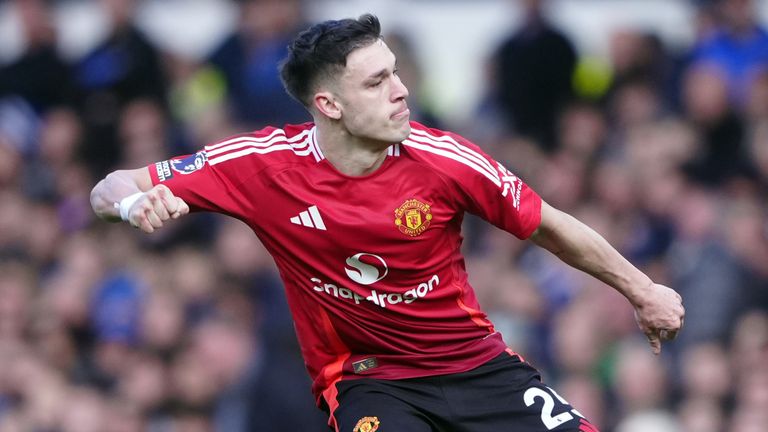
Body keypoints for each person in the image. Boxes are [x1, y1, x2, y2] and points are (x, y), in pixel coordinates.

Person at [90, 14, 685, 432]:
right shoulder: (260, 165)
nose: (403, 91)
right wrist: (132, 204)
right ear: (329, 105)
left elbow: (551, 226)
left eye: (396, 72)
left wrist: (643, 289)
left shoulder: (446, 159)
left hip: (477, 365)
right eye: (378, 82)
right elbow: (109, 186)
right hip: (367, 381)